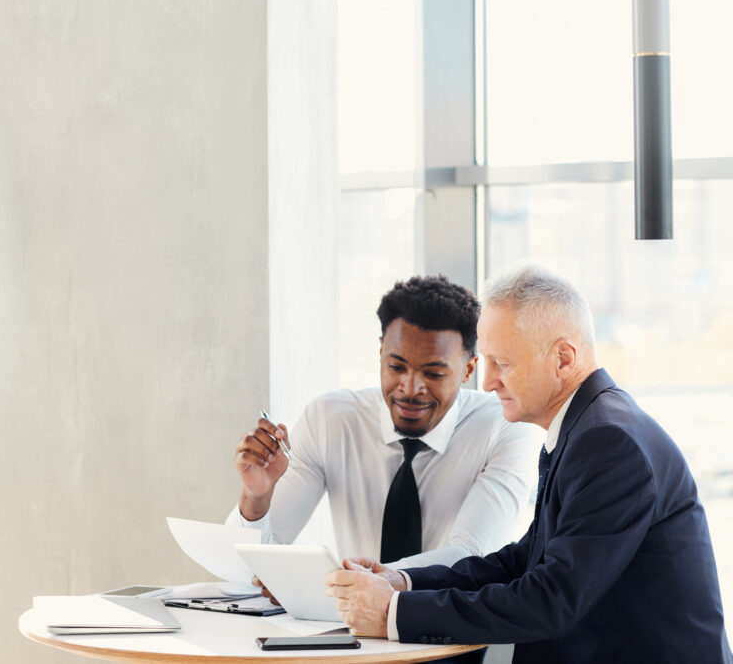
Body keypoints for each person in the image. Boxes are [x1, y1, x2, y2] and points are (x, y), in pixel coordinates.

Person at [327, 265, 732, 663]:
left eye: (502, 363)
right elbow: (524, 560)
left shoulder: (608, 441)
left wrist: (392, 613)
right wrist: (402, 582)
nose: (487, 382)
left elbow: (551, 599)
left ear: (563, 358)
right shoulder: (587, 427)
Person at [227, 275, 542, 571]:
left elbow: (470, 556)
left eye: (433, 374)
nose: (410, 388)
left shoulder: (506, 426)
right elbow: (250, 565)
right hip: (352, 625)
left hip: (460, 627)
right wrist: (256, 499)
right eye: (396, 366)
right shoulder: (330, 420)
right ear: (380, 352)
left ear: (468, 369)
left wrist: (355, 582)